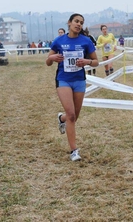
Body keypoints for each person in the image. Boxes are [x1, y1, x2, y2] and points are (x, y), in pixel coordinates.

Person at [46, 13, 98, 161]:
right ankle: (74, 150)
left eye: (81, 22)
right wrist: (52, 58)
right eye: (76, 21)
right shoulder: (59, 41)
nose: (79, 24)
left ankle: (61, 118)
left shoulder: (86, 41)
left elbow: (96, 62)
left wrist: (87, 62)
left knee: (74, 116)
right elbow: (48, 62)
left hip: (79, 80)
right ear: (69, 23)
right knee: (72, 115)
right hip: (63, 80)